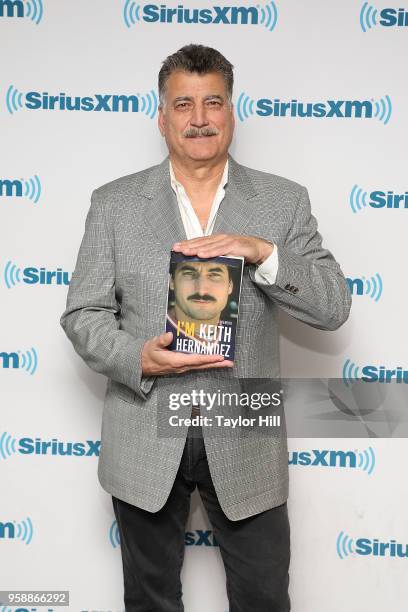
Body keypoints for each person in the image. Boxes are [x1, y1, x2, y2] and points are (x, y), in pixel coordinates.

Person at [60, 44, 352, 611]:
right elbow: (83, 314)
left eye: (212, 102)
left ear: (232, 112)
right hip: (144, 429)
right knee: (149, 600)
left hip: (245, 431)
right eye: (184, 104)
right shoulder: (113, 204)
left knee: (264, 599)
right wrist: (138, 357)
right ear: (162, 116)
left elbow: (333, 307)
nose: (199, 119)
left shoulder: (282, 202)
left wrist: (263, 253)